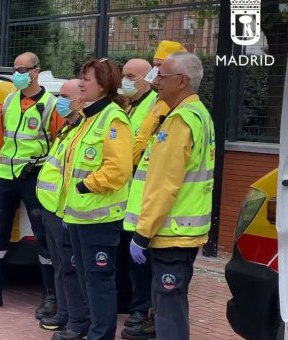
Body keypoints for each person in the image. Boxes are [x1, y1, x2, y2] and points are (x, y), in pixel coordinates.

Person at [126, 52, 214, 340]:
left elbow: (164, 184)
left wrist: (142, 233)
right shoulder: (199, 113)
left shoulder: (179, 121)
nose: (157, 82)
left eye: (163, 77)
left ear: (183, 81)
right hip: (183, 231)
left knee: (168, 308)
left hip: (171, 232)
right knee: (171, 303)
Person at [0, 52, 63, 319]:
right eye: (15, 69)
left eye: (23, 69)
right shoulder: (10, 101)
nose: (18, 74)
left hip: (35, 176)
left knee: (44, 236)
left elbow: (60, 146)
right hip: (6, 176)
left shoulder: (52, 105)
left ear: (36, 71)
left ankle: (50, 296)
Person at [60, 58, 133, 340]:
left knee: (100, 282)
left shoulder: (113, 118)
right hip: (78, 216)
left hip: (100, 218)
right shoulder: (87, 118)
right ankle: (94, 331)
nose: (80, 82)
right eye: (81, 76)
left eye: (87, 78)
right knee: (86, 279)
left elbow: (118, 170)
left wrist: (84, 186)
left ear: (103, 86)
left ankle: (101, 335)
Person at [120, 40, 189, 340]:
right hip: (137, 193)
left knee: (159, 275)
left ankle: (145, 313)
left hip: (161, 210)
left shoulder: (174, 112)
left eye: (161, 68)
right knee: (142, 267)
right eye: (156, 66)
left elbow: (166, 172)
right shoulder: (151, 104)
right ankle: (142, 310)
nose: (156, 75)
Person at [35, 79, 91, 339]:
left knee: (70, 268)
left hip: (65, 210)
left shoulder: (82, 128)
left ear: (80, 100)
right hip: (51, 208)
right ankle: (64, 313)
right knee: (60, 266)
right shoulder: (67, 128)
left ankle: (77, 320)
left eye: (65, 96)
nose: (59, 101)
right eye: (59, 95)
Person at [116, 58, 157, 337]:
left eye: (131, 76)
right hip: (123, 192)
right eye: (123, 75)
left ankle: (142, 308)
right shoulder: (129, 105)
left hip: (142, 192)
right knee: (125, 254)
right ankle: (129, 302)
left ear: (146, 79)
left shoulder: (155, 107)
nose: (125, 81)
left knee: (141, 258)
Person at [132, 40, 186, 166]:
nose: (155, 72)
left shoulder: (179, 108)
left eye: (160, 66)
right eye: (154, 65)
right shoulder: (160, 100)